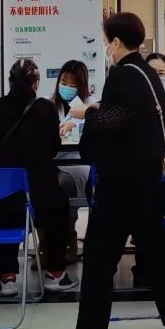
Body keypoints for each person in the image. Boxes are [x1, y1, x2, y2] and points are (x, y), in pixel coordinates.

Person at [63, 12, 165, 329]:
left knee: (99, 255)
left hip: (121, 181)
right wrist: (100, 111)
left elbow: (112, 123)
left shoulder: (122, 75)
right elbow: (131, 116)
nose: (105, 46)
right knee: (156, 250)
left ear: (116, 41)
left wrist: (88, 114)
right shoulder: (148, 73)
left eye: (106, 39)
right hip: (147, 177)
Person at [0, 59, 77, 294]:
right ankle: (55, 274)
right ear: (36, 83)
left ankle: (7, 277)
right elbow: (53, 149)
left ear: (10, 81)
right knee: (59, 202)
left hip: (2, 200)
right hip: (40, 196)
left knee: (7, 200)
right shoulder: (47, 109)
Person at [51, 59, 95, 265]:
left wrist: (76, 125)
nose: (67, 88)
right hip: (53, 161)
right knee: (42, 182)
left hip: (79, 162)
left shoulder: (91, 106)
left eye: (73, 84)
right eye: (64, 83)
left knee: (66, 183)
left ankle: (69, 237)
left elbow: (98, 128)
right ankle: (47, 241)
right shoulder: (49, 104)